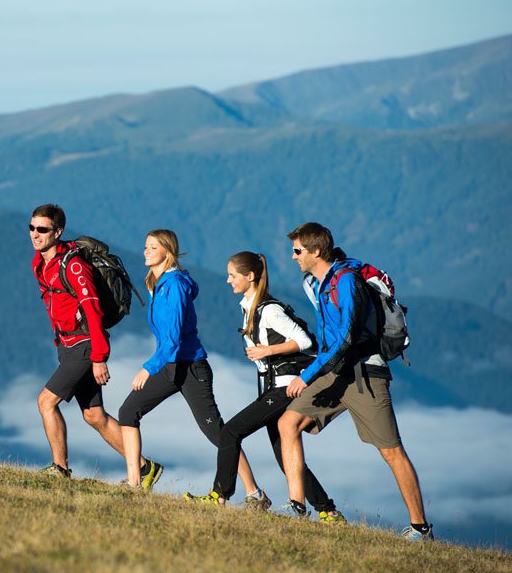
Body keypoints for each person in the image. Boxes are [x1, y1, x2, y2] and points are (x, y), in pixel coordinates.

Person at [279, 222, 433, 540]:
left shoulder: (346, 281)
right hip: (336, 372)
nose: (292, 256)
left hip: (365, 375)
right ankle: (296, 507)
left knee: (391, 451)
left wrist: (307, 375)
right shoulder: (320, 283)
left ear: (316, 251)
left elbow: (344, 338)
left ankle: (421, 528)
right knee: (287, 424)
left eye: (297, 250)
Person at [186, 252, 346, 521]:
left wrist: (267, 351)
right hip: (273, 386)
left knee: (230, 432)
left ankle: (219, 496)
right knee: (285, 456)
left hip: (285, 387)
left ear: (250, 277)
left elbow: (305, 340)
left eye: (233, 275)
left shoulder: (269, 310)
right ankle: (328, 511)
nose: (227, 280)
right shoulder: (249, 305)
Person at [117, 230, 257, 495]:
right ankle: (135, 483)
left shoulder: (176, 286)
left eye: (153, 247)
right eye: (145, 246)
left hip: (191, 368)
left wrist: (148, 368)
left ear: (167, 252)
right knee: (128, 412)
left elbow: (172, 338)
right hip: (171, 366)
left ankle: (254, 493)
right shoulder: (158, 284)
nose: (146, 250)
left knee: (217, 433)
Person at [30, 204, 161, 484]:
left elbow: (92, 310)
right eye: (32, 228)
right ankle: (145, 467)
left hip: (86, 346)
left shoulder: (74, 266)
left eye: (42, 229)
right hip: (68, 346)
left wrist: (99, 356)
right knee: (94, 416)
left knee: (45, 402)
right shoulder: (39, 263)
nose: (35, 235)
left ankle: (59, 469)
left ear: (58, 232)